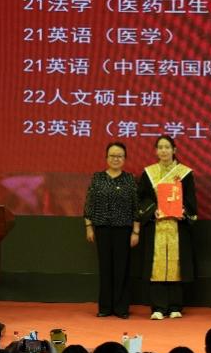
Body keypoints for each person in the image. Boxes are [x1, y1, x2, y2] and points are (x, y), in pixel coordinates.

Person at [137, 135, 198, 320]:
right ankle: (158, 307)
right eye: (160, 147)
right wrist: (152, 210)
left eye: (167, 147)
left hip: (177, 226)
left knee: (176, 264)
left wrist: (183, 211)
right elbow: (142, 198)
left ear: (174, 150)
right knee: (156, 264)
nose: (164, 150)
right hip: (156, 225)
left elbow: (190, 200)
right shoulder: (149, 173)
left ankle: (175, 306)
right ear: (156, 151)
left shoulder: (184, 173)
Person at [83, 142, 139, 319]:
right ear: (106, 158)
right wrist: (89, 227)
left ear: (125, 159)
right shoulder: (98, 178)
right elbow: (89, 204)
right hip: (102, 229)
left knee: (122, 268)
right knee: (105, 268)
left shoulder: (129, 179)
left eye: (119, 156)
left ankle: (121, 308)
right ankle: (105, 307)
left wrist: (136, 231)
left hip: (123, 230)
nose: (116, 159)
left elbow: (136, 207)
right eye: (112, 156)